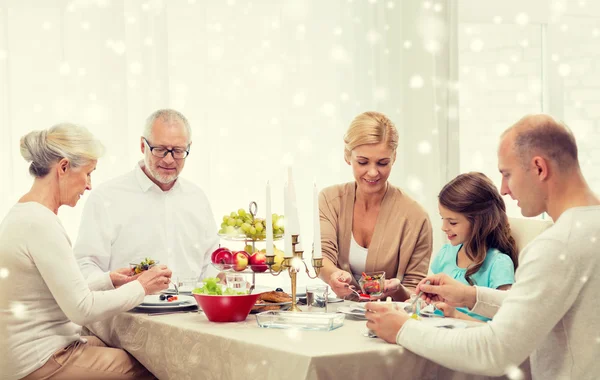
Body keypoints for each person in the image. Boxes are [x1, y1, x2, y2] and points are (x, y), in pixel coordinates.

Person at [365, 114, 600, 379]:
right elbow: (536, 305)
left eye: (507, 174)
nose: (503, 190)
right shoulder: (587, 229)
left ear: (539, 168)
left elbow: (493, 352)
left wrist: (401, 329)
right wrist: (471, 296)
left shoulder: (558, 245)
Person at [0, 123, 171, 380]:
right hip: (41, 360)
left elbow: (61, 291)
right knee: (157, 368)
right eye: (89, 173)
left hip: (33, 353)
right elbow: (81, 309)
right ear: (64, 168)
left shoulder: (25, 213)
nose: (89, 186)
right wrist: (142, 287)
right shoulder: (40, 223)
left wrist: (109, 280)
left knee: (137, 350)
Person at [74, 109, 219, 283]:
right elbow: (85, 265)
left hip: (194, 309)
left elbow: (211, 263)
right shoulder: (107, 197)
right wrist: (113, 282)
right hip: (128, 309)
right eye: (160, 149)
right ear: (143, 145)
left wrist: (224, 278)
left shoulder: (197, 198)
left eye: (178, 151)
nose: (169, 160)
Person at [319, 111, 432, 301]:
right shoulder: (330, 200)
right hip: (341, 318)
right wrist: (333, 276)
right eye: (362, 162)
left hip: (391, 322)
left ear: (394, 157)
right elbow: (322, 256)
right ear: (348, 156)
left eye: (382, 163)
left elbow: (416, 293)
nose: (372, 172)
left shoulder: (415, 217)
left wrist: (397, 290)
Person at [431, 172, 518, 321]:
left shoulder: (499, 264)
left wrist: (456, 315)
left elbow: (505, 326)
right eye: (442, 219)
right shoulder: (445, 253)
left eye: (452, 222)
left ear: (479, 222)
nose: (443, 227)